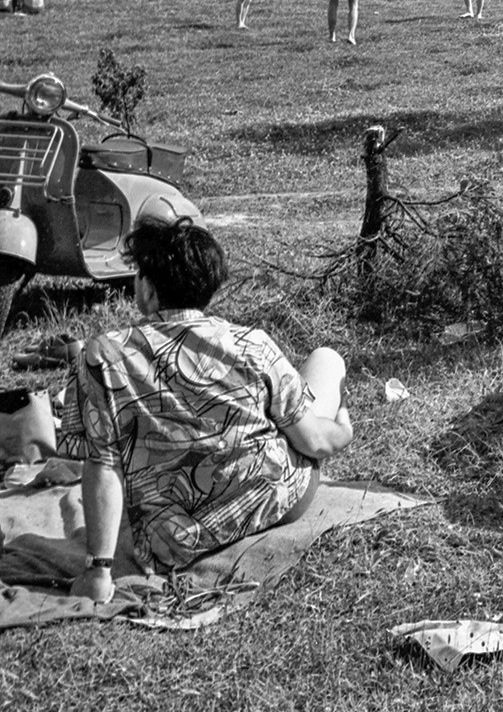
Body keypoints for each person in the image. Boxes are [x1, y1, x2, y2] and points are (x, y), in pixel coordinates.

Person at [57, 216, 353, 602]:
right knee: (326, 360)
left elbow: (103, 464)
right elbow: (314, 442)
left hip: (170, 540)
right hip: (271, 499)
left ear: (147, 288)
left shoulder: (103, 355)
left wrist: (99, 572)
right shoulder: (252, 344)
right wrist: (343, 429)